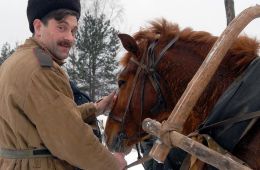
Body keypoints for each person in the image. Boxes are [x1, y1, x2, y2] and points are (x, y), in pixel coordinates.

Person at [0, 0, 127, 169]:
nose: (70, 38)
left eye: (73, 30)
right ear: (38, 27)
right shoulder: (40, 70)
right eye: (61, 27)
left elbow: (54, 119)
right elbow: (71, 138)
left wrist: (96, 108)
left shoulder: (17, 61)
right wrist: (112, 164)